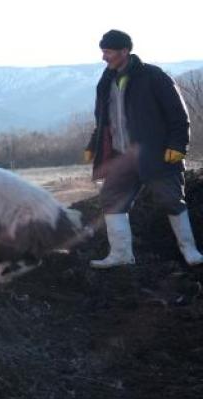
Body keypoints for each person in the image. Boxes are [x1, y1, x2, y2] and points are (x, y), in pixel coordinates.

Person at [85, 29, 201, 267]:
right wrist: (92, 145)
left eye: (108, 52)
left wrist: (178, 145)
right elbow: (103, 121)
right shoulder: (105, 81)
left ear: (124, 51)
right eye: (102, 52)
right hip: (121, 157)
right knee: (111, 199)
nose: (103, 57)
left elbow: (179, 115)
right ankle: (121, 255)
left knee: (171, 200)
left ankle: (190, 251)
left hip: (157, 155)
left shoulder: (153, 76)